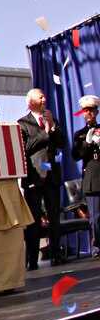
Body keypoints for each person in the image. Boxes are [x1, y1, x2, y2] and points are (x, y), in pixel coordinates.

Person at [18, 88, 68, 271]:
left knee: (54, 217)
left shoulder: (52, 120)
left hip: (52, 176)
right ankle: (32, 259)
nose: (44, 98)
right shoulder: (23, 123)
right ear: (30, 101)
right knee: (34, 220)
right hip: (35, 177)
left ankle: (56, 254)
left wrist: (52, 127)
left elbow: (62, 143)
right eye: (41, 97)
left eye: (45, 96)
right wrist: (45, 132)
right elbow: (25, 147)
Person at [71, 95, 100, 257]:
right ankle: (97, 248)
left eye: (91, 110)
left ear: (96, 111)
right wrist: (88, 144)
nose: (89, 113)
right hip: (91, 178)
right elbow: (76, 155)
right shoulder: (79, 134)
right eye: (86, 111)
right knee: (95, 218)